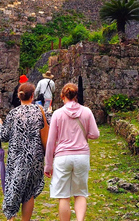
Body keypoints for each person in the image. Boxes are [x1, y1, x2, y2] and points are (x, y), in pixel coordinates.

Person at [44, 83, 100, 221]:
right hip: (82, 156)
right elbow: (95, 134)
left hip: (62, 157)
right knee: (80, 193)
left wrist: (48, 165)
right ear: (76, 96)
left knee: (63, 196)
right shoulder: (86, 112)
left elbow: (51, 141)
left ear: (62, 96)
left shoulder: (57, 114)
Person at [0, 82, 46, 221]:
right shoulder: (40, 112)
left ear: (19, 96)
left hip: (17, 159)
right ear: (32, 96)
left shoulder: (14, 113)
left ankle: (10, 219)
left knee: (13, 189)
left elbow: (4, 136)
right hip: (36, 158)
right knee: (29, 193)